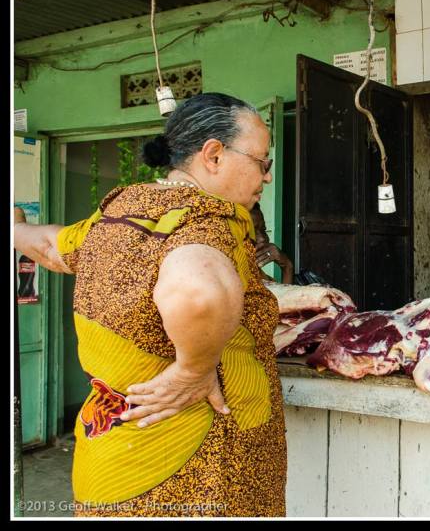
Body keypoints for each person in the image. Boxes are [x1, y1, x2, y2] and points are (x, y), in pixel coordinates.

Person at [13, 93, 286, 517]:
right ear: (213, 155)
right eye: (261, 162)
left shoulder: (116, 214)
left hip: (111, 460)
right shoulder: (206, 219)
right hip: (196, 472)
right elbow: (199, 292)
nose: (266, 177)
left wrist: (15, 230)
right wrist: (192, 371)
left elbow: (51, 247)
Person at [250, 204, 293, 284]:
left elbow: (281, 293)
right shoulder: (230, 275)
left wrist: (287, 266)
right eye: (252, 232)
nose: (262, 239)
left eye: (263, 230)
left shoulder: (260, 276)